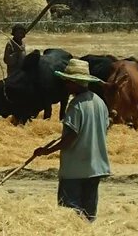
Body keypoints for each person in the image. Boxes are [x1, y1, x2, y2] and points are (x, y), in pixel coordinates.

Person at [32, 58, 110, 221]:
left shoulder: (76, 105)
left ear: (75, 82)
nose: (66, 85)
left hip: (75, 168)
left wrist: (47, 151)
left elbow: (71, 137)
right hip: (95, 166)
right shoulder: (99, 102)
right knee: (89, 213)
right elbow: (104, 127)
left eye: (67, 82)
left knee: (70, 213)